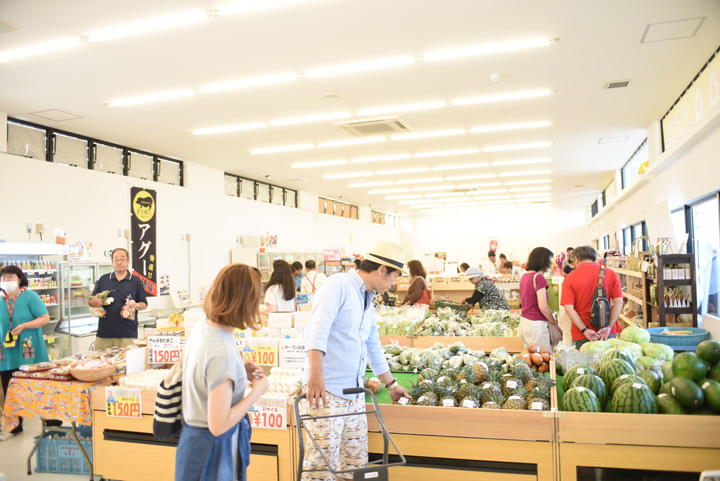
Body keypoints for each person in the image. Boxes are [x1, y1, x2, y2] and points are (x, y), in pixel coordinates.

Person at [302, 240, 410, 479]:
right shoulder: (337, 285)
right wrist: (315, 374)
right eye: (394, 276)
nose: (394, 283)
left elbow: (372, 346)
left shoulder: (368, 299)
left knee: (354, 466)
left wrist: (392, 384)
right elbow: (318, 330)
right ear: (382, 269)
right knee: (322, 468)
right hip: (327, 392)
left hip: (355, 395)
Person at [176, 263, 268, 481]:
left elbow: (203, 377)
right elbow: (218, 425)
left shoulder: (203, 327)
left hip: (193, 442)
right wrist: (257, 392)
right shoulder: (221, 351)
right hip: (211, 451)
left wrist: (237, 374)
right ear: (245, 302)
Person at [0, 265, 52, 441]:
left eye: (10, 277)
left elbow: (45, 318)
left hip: (29, 349)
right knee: (9, 389)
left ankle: (50, 420)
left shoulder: (30, 296)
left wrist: (24, 326)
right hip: (6, 351)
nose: (7, 280)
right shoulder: (0, 298)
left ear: (19, 278)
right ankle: (15, 425)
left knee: (37, 386)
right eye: (4, 277)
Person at [561, 246, 623, 349]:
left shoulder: (570, 278)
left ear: (576, 259)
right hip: (607, 331)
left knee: (584, 365)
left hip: (582, 333)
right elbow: (619, 302)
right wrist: (608, 327)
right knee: (608, 363)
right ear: (595, 258)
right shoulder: (611, 273)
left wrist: (585, 330)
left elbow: (568, 308)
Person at [89, 248, 147, 351]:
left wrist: (136, 305)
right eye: (116, 259)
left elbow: (144, 304)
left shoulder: (135, 281)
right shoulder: (103, 279)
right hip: (104, 334)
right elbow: (91, 301)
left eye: (122, 259)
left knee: (127, 364)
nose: (119, 262)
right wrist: (96, 302)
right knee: (101, 363)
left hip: (127, 334)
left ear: (128, 261)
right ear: (112, 262)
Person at [517, 247, 563, 352]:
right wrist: (555, 323)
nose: (551, 264)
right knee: (543, 359)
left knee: (531, 359)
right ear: (542, 260)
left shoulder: (524, 277)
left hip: (524, 323)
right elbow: (543, 306)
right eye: (549, 260)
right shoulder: (538, 278)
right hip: (537, 325)